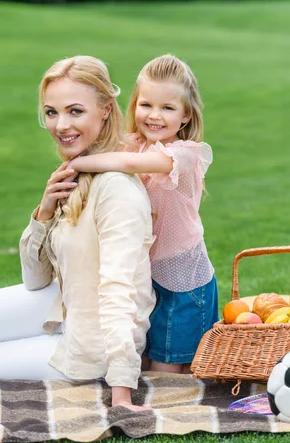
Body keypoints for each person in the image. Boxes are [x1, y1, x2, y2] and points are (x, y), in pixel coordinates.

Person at [0, 56, 155, 412]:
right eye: (52, 112)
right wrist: (43, 213)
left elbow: (124, 294)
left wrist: (121, 388)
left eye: (75, 111)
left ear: (105, 110)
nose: (60, 125)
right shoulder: (74, 177)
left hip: (90, 344)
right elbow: (35, 280)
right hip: (59, 306)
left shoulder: (117, 190)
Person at [68, 54, 219, 374]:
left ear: (186, 115)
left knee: (168, 373)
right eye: (146, 105)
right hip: (147, 277)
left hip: (184, 284)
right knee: (146, 364)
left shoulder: (186, 154)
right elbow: (106, 143)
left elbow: (129, 166)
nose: (154, 115)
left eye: (168, 108)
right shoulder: (134, 144)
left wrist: (75, 164)